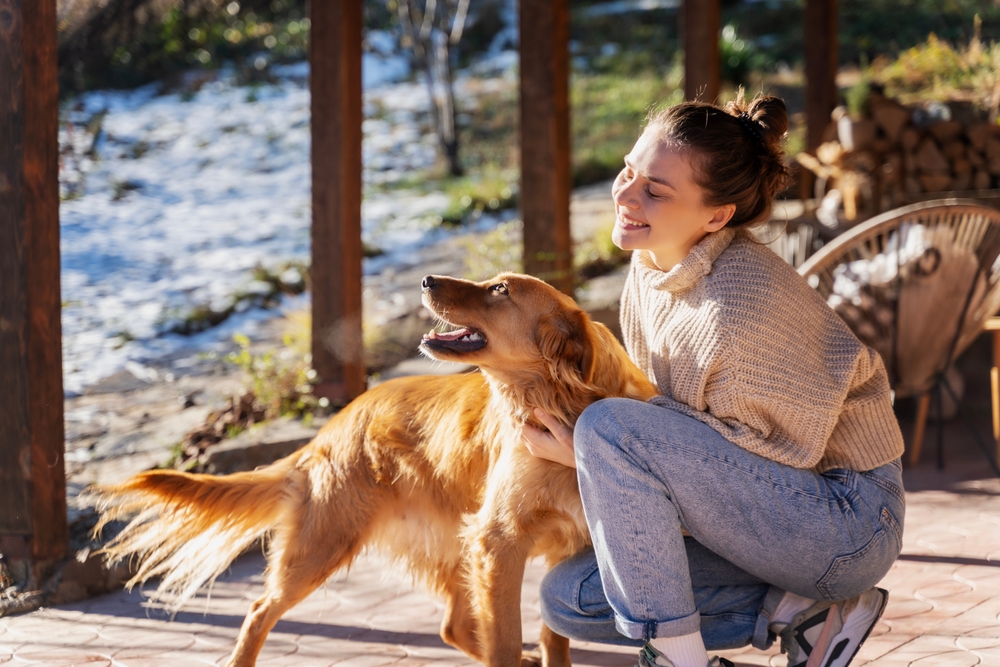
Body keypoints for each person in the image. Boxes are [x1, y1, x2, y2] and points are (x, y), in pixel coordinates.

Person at [520, 93, 905, 667]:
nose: (625, 195)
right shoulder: (652, 266)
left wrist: (591, 453)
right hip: (773, 515)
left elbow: (776, 459)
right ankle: (804, 611)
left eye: (655, 190)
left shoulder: (742, 305)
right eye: (629, 171)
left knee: (606, 430)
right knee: (571, 600)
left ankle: (677, 660)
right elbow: (690, 454)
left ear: (716, 216)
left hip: (847, 522)